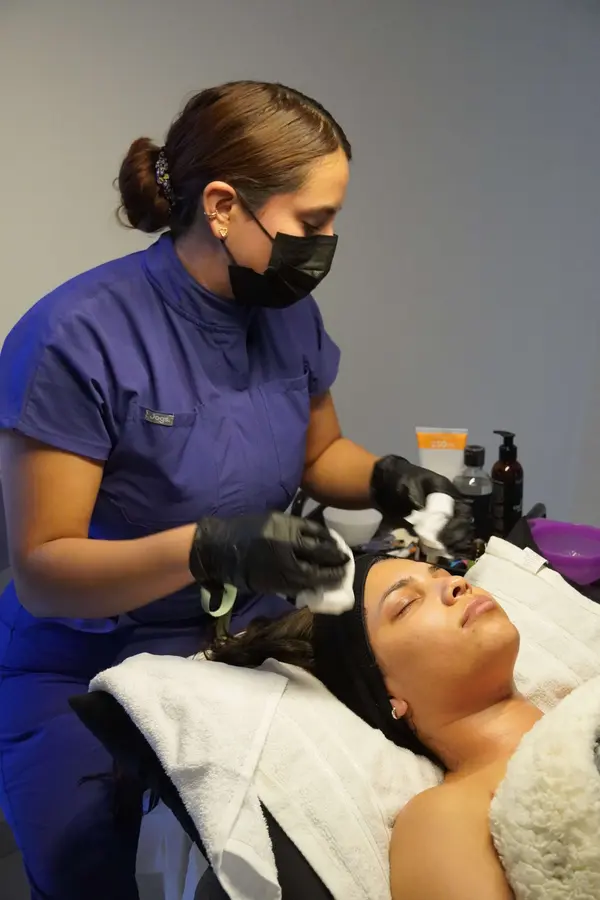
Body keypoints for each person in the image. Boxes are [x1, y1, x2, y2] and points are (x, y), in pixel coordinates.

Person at [0, 80, 471, 899]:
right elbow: (43, 571)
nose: (326, 243)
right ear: (222, 206)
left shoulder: (286, 314)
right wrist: (208, 548)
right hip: (88, 664)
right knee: (100, 863)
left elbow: (320, 452)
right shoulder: (76, 336)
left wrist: (386, 477)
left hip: (245, 637)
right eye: (313, 222)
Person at [210, 554, 544, 899]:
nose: (457, 583)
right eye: (407, 604)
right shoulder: (447, 820)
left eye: (446, 573)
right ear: (388, 694)